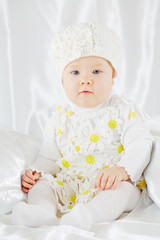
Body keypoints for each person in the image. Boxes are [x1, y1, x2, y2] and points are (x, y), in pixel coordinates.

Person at [12, 22, 153, 228]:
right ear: (62, 80)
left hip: (109, 182)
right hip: (71, 182)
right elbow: (48, 157)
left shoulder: (123, 110)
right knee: (43, 185)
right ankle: (41, 211)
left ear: (112, 76)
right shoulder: (60, 116)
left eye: (96, 71)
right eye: (75, 73)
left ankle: (87, 216)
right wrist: (36, 172)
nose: (86, 80)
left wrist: (121, 170)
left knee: (123, 192)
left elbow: (141, 144)